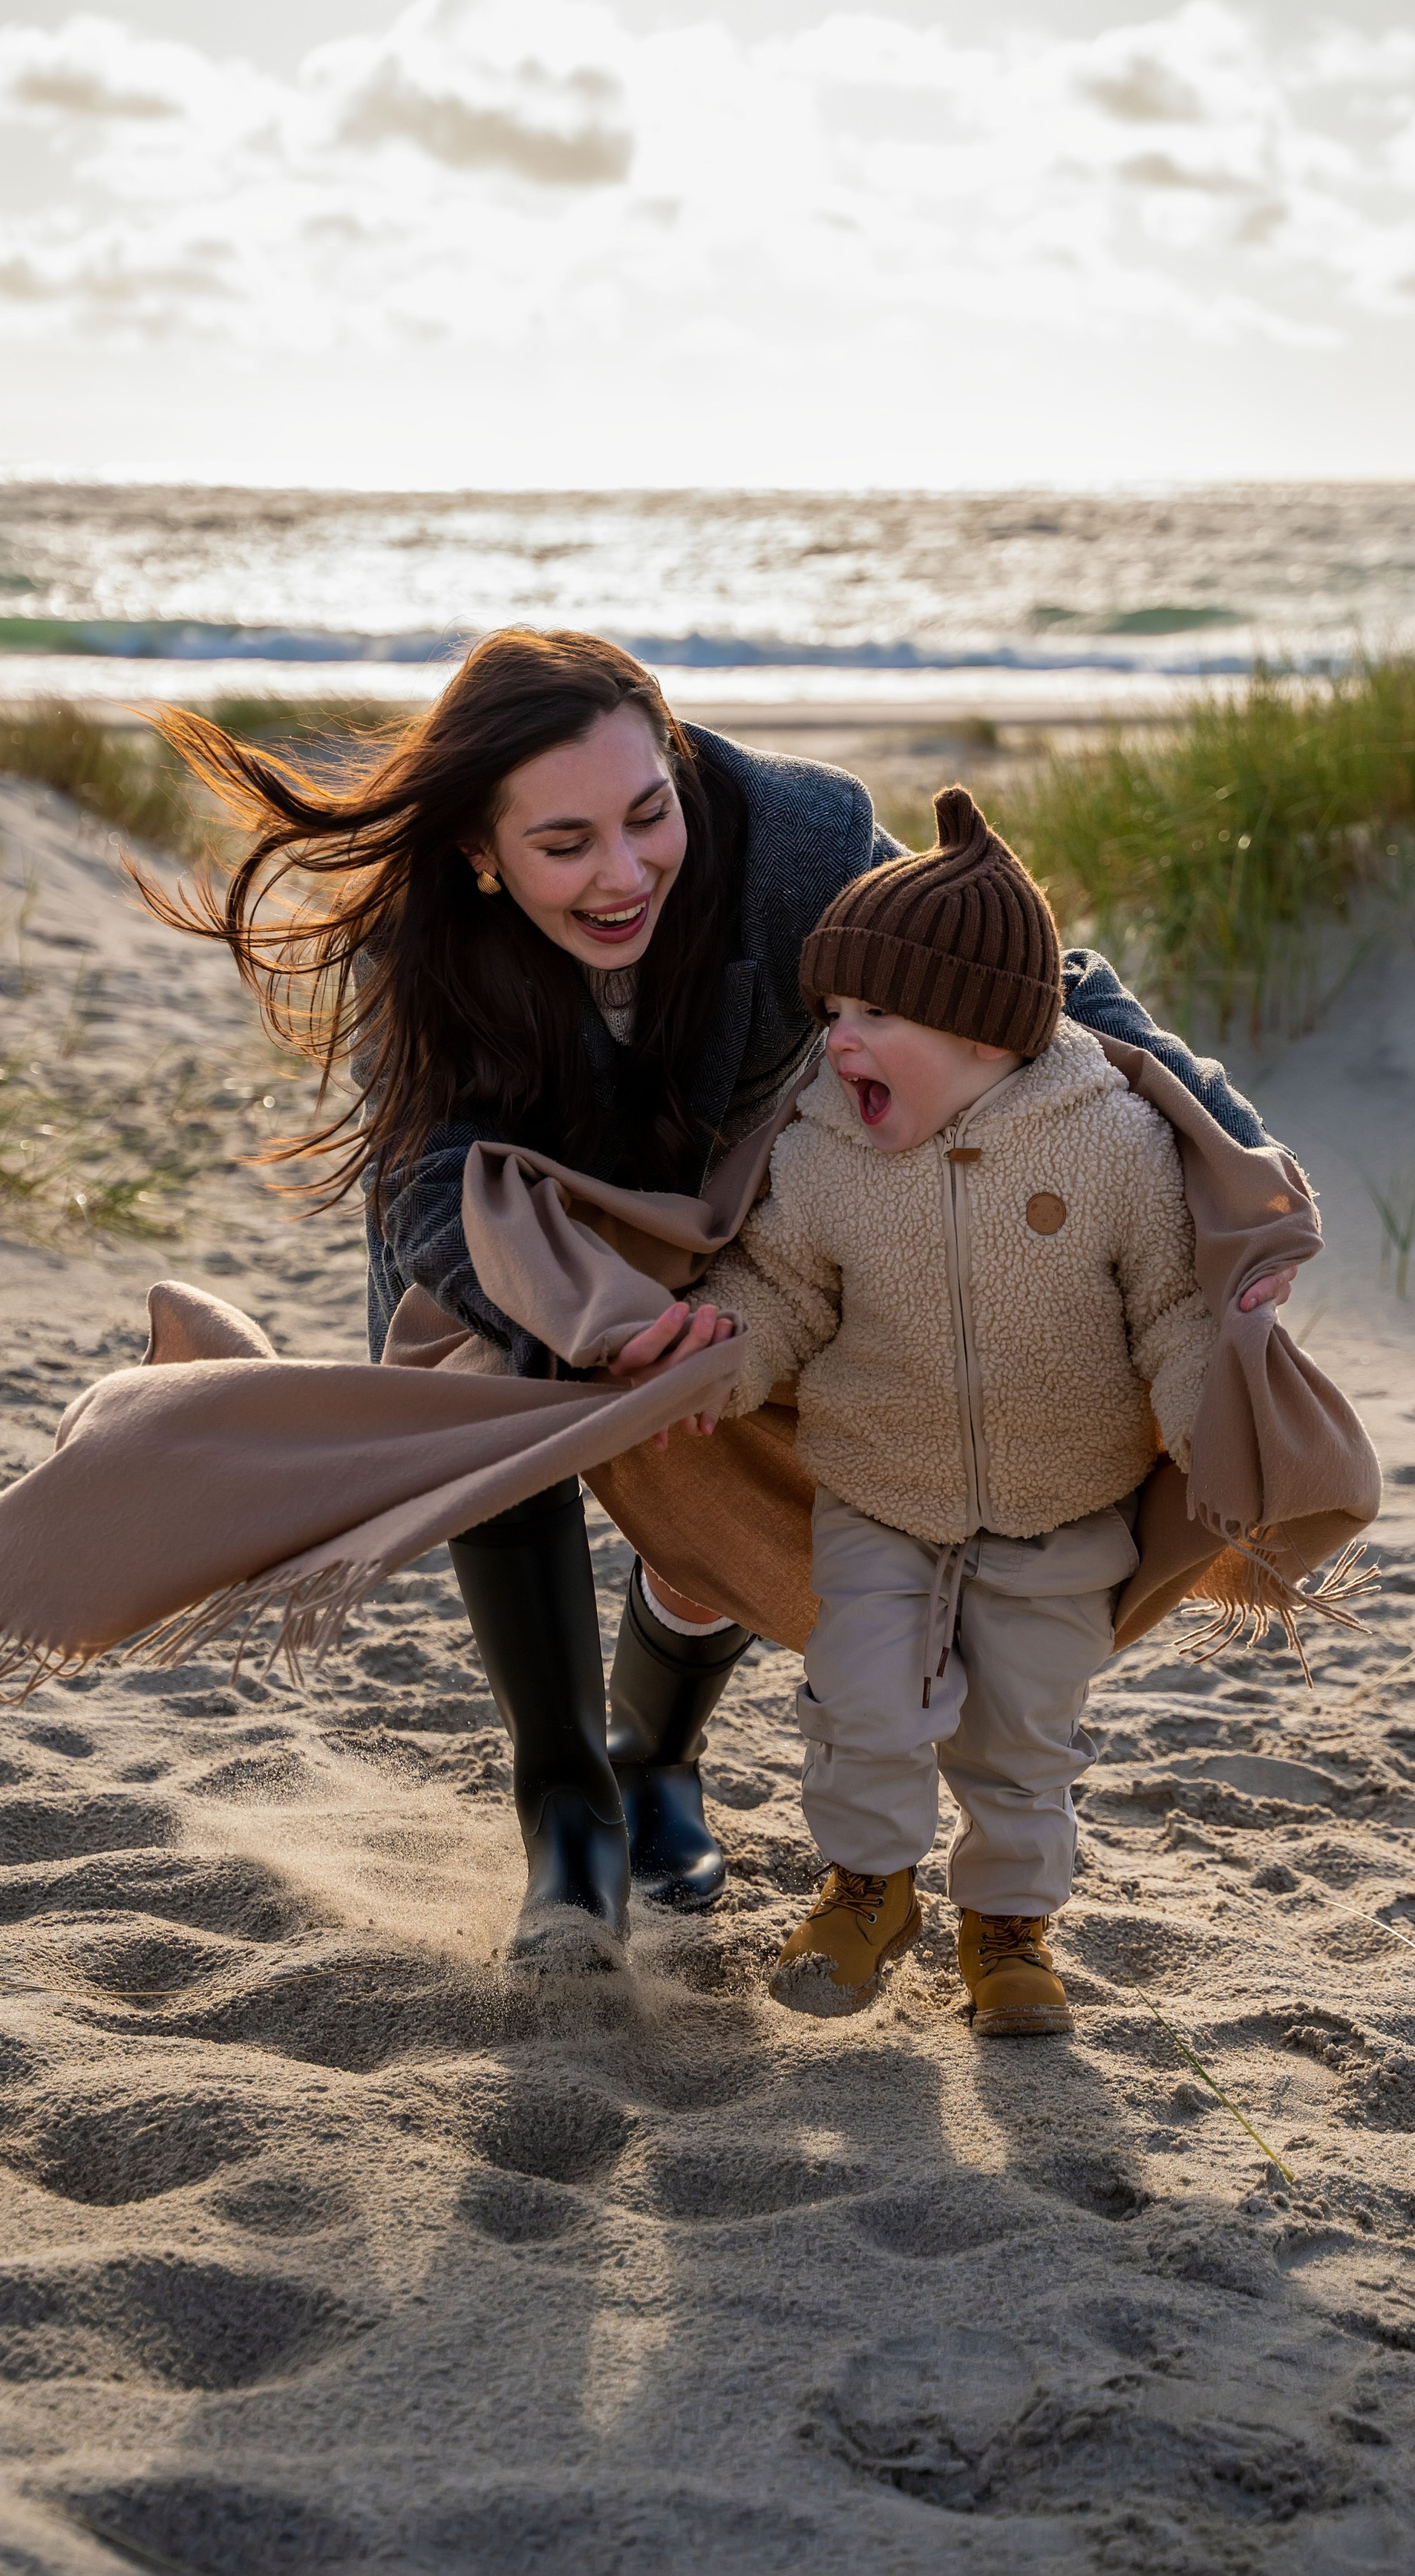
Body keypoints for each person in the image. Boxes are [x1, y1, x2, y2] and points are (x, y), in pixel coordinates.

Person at [143, 633, 1290, 1963]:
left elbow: (1036, 990)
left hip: (736, 1214)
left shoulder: (795, 844)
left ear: (681, 767)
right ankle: (566, 1802)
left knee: (751, 1434)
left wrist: (1238, 1164)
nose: (625, 872)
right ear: (479, 849)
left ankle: (656, 1758)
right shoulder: (427, 945)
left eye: (649, 813)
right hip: (527, 1246)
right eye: (564, 844)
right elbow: (425, 1187)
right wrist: (590, 1317)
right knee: (501, 1381)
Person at [661, 788, 1219, 2032]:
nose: (839, 1040)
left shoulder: (1114, 1146)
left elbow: (1177, 1308)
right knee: (861, 1698)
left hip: (1064, 1506)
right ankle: (867, 1889)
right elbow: (779, 1288)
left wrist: (1204, 1420)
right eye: (832, 1011)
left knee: (1024, 1737)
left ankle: (1009, 1927)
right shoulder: (824, 1153)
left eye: (876, 1013)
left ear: (982, 1032)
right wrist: (725, 1360)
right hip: (881, 1492)